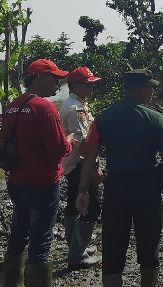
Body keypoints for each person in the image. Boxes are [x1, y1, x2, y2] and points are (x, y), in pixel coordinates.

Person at [76, 69, 163, 287]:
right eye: (152, 88)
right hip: (147, 188)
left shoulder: (103, 116)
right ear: (142, 89)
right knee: (148, 241)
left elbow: (90, 154)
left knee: (114, 242)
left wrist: (83, 190)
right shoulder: (155, 117)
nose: (153, 92)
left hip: (116, 188)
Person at [2, 59, 73, 287]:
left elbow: (6, 141)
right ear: (41, 77)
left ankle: (11, 282)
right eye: (55, 78)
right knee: (41, 238)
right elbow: (60, 148)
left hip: (17, 181)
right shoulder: (44, 107)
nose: (58, 83)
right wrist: (70, 140)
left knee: (19, 231)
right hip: (42, 183)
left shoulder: (13, 105)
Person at [59, 66, 103, 270]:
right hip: (79, 165)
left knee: (72, 205)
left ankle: (76, 247)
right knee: (91, 206)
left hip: (71, 164)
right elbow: (83, 143)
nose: (92, 88)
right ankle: (76, 254)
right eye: (88, 84)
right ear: (75, 86)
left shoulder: (76, 104)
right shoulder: (76, 109)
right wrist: (94, 167)